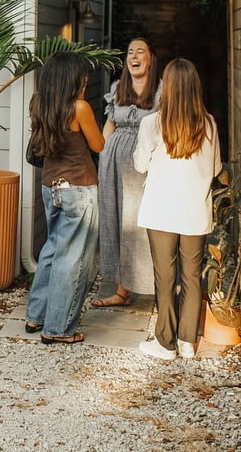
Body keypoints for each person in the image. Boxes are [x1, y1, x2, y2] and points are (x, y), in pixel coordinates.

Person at [134, 58, 221, 360]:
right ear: (195, 88)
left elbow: (140, 164)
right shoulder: (209, 124)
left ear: (167, 88)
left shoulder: (152, 124)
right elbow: (215, 169)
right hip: (195, 212)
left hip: (161, 212)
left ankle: (164, 342)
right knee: (193, 277)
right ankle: (187, 342)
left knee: (166, 277)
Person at [25, 51, 105, 344]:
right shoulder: (79, 107)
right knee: (72, 259)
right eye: (83, 75)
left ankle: (36, 315)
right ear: (73, 78)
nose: (85, 79)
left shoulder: (39, 103)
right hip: (78, 188)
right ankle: (58, 329)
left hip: (51, 187)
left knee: (52, 250)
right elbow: (98, 145)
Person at [93, 37, 160, 308]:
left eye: (140, 51)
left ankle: (157, 289)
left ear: (150, 59)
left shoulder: (161, 91)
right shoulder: (117, 88)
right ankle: (122, 290)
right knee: (116, 222)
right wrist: (102, 155)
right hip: (112, 163)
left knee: (142, 225)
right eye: (130, 52)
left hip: (143, 165)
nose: (134, 56)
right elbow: (109, 125)